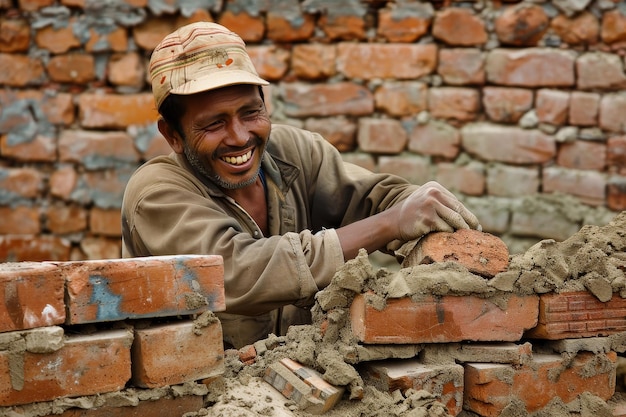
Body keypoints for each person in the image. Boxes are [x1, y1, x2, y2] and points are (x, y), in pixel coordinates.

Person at [121, 21, 481, 349]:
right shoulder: (157, 194)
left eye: (251, 112)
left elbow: (376, 198)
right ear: (173, 135)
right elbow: (235, 270)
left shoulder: (294, 152)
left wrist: (434, 231)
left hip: (300, 383)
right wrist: (391, 223)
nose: (240, 136)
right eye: (214, 124)